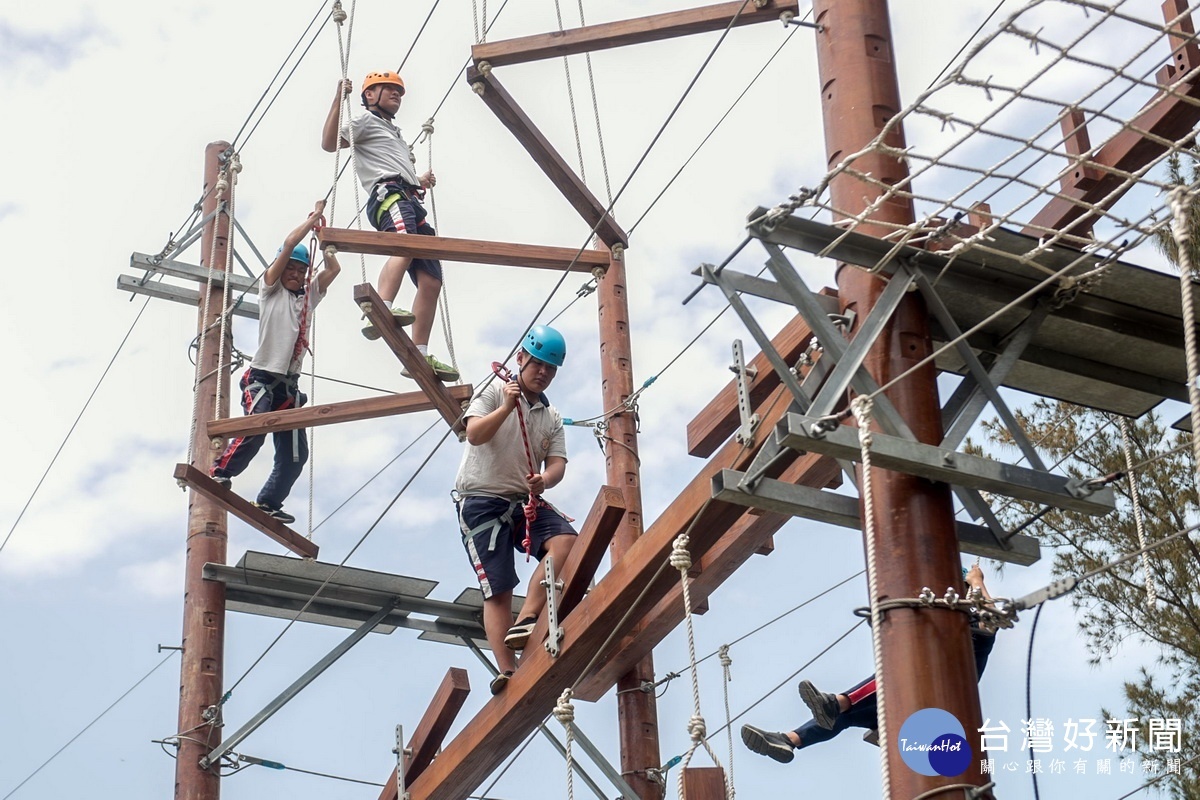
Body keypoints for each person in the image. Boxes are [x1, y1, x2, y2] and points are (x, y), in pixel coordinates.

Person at [741, 564, 999, 764]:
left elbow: (992, 617)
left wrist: (977, 582)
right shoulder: (938, 635)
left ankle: (837, 702)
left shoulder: (975, 634)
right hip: (911, 705)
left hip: (936, 702)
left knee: (898, 672)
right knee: (841, 718)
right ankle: (790, 740)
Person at [453, 325, 577, 695]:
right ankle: (508, 669)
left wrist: (545, 480)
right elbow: (474, 433)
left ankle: (526, 619)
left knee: (567, 543)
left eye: (550, 369)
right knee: (499, 588)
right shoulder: (493, 391)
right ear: (521, 358)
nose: (543, 373)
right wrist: (507, 406)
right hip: (482, 501)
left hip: (524, 500)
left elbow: (557, 463)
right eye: (538, 364)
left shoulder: (550, 416)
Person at [320, 70, 458, 383]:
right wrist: (338, 99)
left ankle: (419, 352)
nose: (397, 94)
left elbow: (391, 160)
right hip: (388, 193)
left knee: (431, 281)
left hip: (408, 196)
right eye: (389, 89)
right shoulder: (366, 121)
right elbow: (329, 143)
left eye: (399, 91)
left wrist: (418, 180)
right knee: (405, 243)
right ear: (370, 95)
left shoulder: (393, 131)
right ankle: (380, 305)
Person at [210, 201, 341, 524]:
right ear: (281, 272)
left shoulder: (307, 297)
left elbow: (333, 271)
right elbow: (287, 247)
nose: (295, 276)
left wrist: (326, 244)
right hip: (262, 378)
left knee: (296, 455)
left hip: (289, 387)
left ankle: (269, 500)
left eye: (300, 271)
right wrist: (310, 222)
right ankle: (221, 472)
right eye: (291, 271)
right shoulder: (270, 290)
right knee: (258, 424)